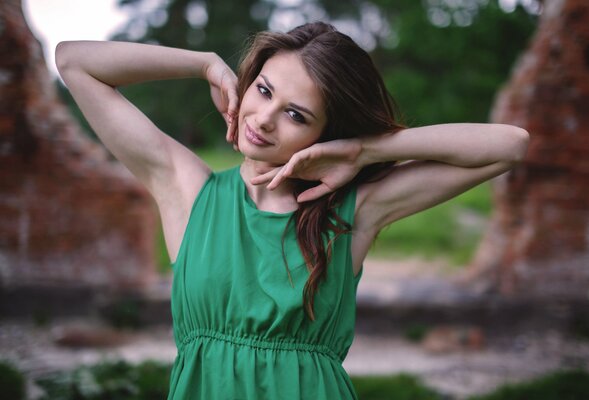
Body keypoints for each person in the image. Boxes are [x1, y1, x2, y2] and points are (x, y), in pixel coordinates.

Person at [55, 21, 529, 399]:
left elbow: (508, 146)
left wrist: (363, 152)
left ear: (324, 134)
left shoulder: (351, 212)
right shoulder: (187, 190)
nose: (263, 119)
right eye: (263, 90)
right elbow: (74, 62)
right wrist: (204, 64)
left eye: (296, 114)